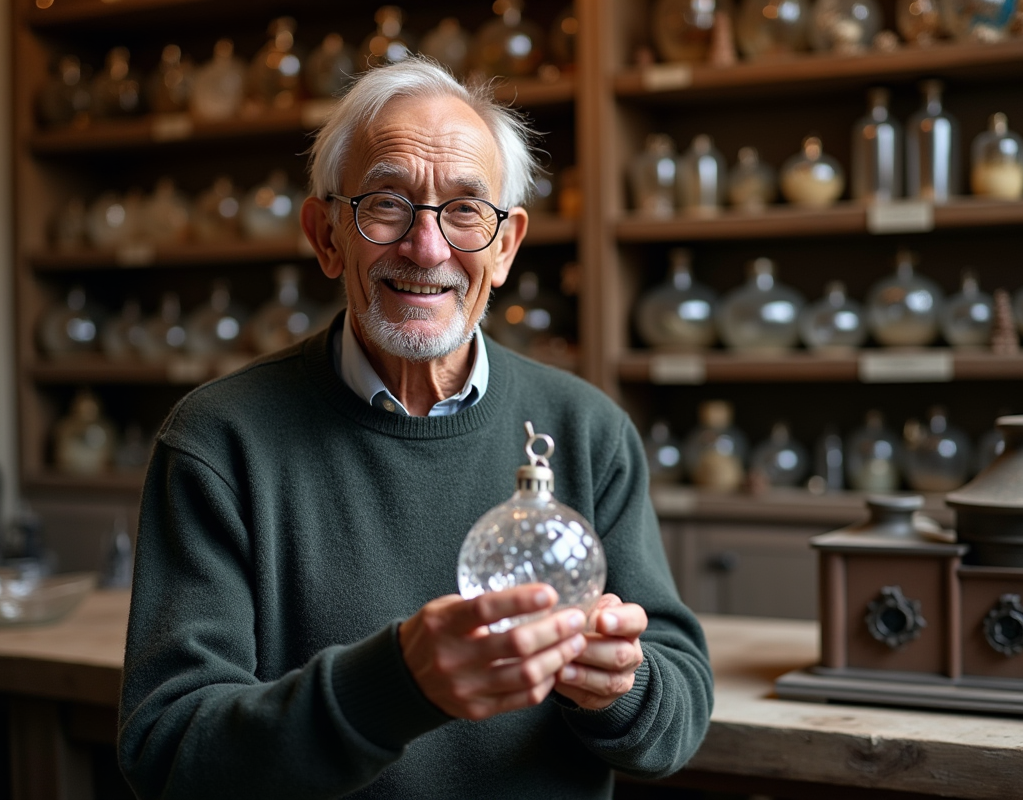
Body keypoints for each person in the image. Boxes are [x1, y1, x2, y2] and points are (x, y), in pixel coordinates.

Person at [118, 57, 713, 799]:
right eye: (387, 204)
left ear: (505, 247)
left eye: (466, 210)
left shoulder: (589, 430)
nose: (427, 248)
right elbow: (168, 750)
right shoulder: (217, 442)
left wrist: (620, 687)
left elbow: (679, 711)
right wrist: (395, 686)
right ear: (326, 233)